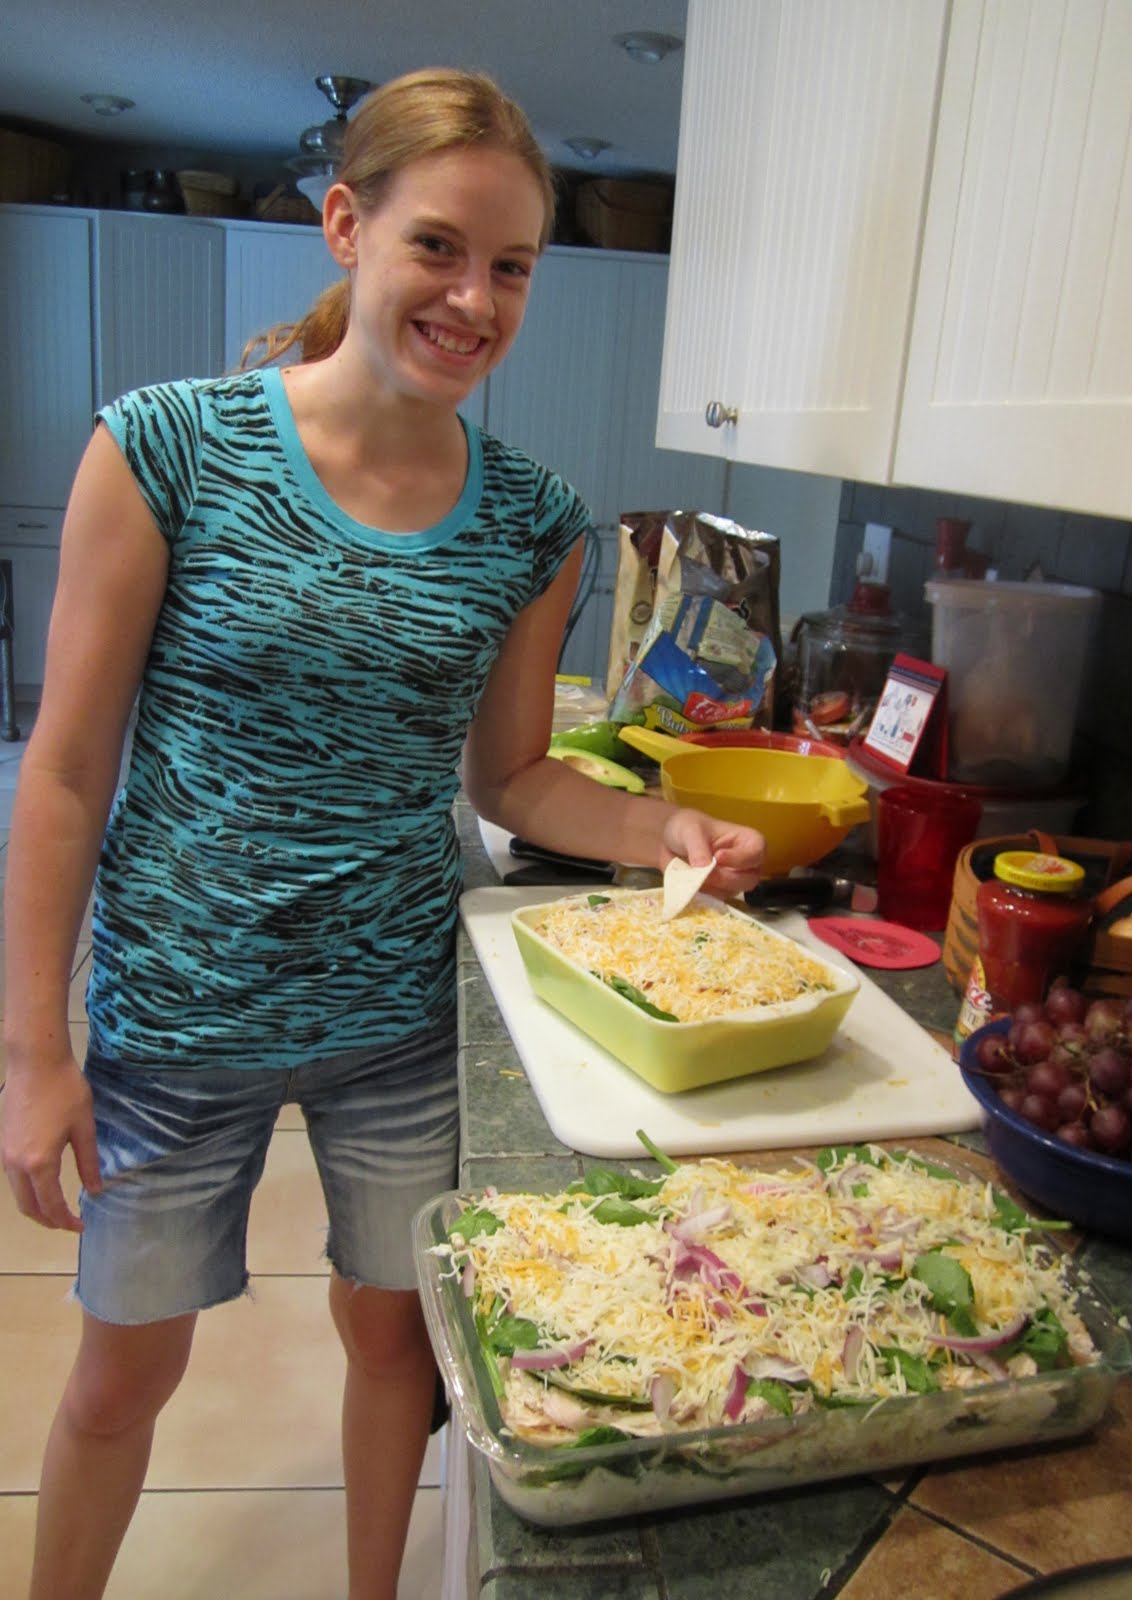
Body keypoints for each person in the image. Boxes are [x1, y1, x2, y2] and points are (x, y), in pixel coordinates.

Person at [0, 67, 765, 1600]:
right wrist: (33, 1054)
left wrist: (661, 822)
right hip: (178, 1011)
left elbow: (514, 780)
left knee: (394, 1342)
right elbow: (66, 773)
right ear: (347, 226)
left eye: (511, 266)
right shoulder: (166, 450)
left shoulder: (532, 519)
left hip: (398, 1020)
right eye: (438, 247)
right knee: (123, 1377)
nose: (474, 299)